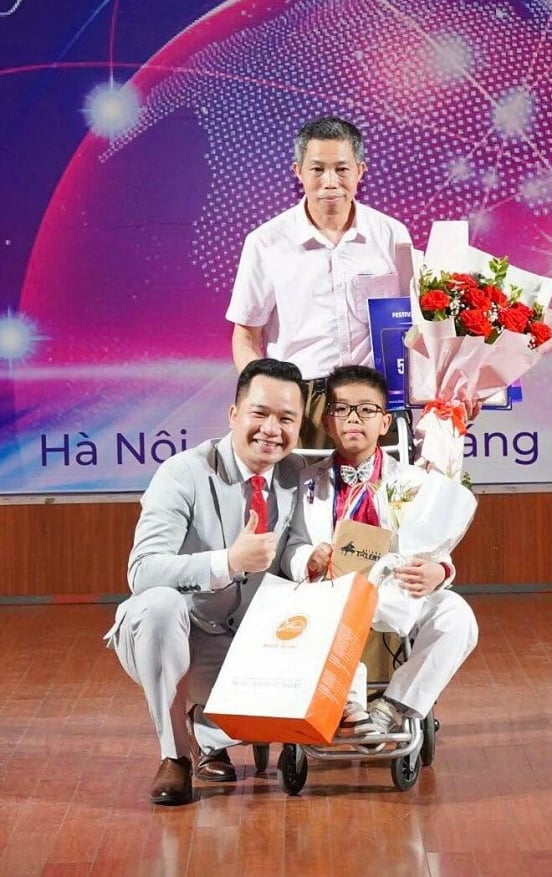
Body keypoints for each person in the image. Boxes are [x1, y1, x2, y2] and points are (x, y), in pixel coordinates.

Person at [104, 359, 306, 805]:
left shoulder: (295, 477)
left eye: (286, 418)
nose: (272, 429)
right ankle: (174, 756)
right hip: (185, 638)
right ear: (233, 415)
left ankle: (209, 731)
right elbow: (143, 571)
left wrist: (310, 560)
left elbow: (296, 547)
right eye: (260, 413)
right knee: (157, 605)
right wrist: (227, 562)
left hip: (255, 643)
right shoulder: (182, 472)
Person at [281, 364, 478, 739]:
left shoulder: (413, 481)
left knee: (458, 617)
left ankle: (392, 706)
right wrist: (307, 557)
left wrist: (440, 572)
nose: (354, 418)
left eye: (367, 410)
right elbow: (290, 545)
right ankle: (349, 708)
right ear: (326, 421)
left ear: (385, 422)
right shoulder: (303, 481)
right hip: (330, 593)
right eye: (342, 409)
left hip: (398, 594)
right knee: (338, 607)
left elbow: (436, 543)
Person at [225, 115, 413, 447]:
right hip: (301, 398)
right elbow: (246, 336)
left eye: (342, 169)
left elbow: (417, 326)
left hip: (375, 399)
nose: (330, 182)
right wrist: (267, 397)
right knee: (299, 497)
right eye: (317, 169)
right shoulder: (266, 242)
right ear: (297, 172)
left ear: (360, 172)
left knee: (383, 497)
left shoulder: (392, 236)